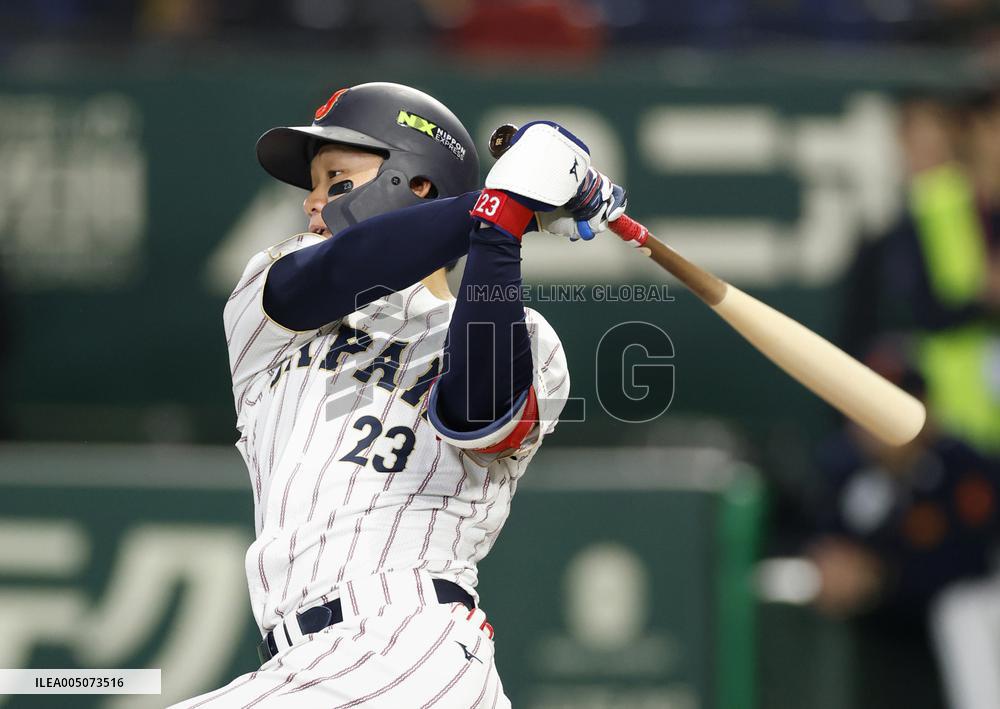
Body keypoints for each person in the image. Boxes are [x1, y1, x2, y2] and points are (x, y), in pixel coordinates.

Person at [172, 82, 625, 707]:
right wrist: (501, 201)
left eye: (336, 179)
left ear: (418, 185)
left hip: (409, 643)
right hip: (310, 663)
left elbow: (479, 411)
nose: (311, 201)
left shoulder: (530, 340)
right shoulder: (269, 301)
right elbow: (336, 272)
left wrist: (500, 226)